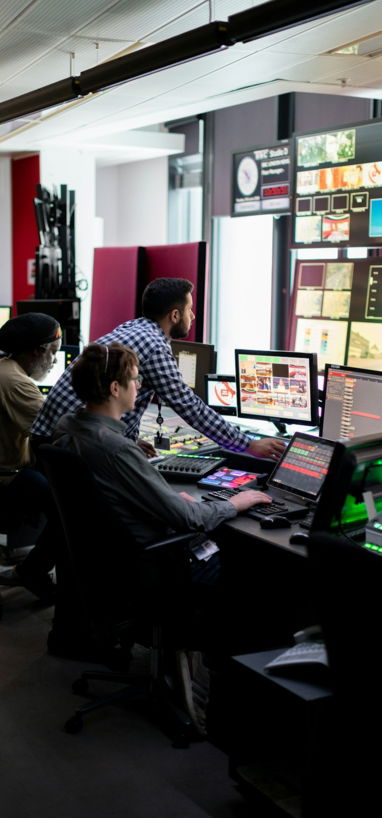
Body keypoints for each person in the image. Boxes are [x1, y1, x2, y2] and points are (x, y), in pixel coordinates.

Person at [51, 342, 272, 733]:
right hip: (151, 564)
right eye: (135, 380)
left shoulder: (69, 427)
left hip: (110, 560)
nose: (140, 387)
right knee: (256, 566)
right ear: (115, 389)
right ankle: (225, 694)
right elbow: (187, 517)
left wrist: (164, 496)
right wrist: (237, 502)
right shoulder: (116, 449)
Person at [32, 278, 285, 461]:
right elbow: (189, 406)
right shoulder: (154, 346)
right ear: (175, 315)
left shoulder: (131, 328)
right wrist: (249, 444)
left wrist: (128, 443)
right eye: (189, 310)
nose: (193, 316)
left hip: (53, 441)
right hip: (77, 447)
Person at [0, 312, 62, 601]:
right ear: (37, 351)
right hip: (6, 479)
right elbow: (61, 427)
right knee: (71, 510)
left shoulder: (5, 369)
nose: (52, 362)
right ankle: (33, 571)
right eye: (53, 353)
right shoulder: (17, 383)